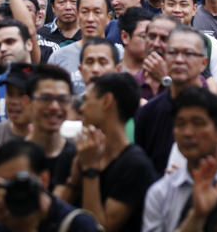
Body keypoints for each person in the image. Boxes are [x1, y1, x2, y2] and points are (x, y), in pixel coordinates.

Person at [64, 73, 157, 232]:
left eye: (87, 100)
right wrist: (74, 180)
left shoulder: (136, 166)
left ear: (106, 101)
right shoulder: (83, 152)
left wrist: (90, 172)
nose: (81, 108)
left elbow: (99, 228)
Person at [142, 87, 217, 232]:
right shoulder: (160, 193)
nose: (187, 133)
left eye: (198, 123)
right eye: (180, 124)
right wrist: (196, 216)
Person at [135, 25, 211, 175]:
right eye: (172, 53)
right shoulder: (148, 113)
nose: (179, 60)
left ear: (203, 63)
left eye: (188, 54)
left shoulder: (214, 112)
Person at [0, 140, 101, 232]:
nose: (15, 190)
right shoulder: (3, 225)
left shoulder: (77, 224)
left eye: (20, 181)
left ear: (44, 179)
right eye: (6, 185)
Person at [48, 0, 115, 93]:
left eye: (97, 12)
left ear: (109, 18)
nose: (90, 19)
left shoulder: (119, 55)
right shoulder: (58, 57)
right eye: (85, 12)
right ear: (78, 15)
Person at [24, 64, 77, 192]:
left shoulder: (79, 158)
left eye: (62, 99)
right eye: (45, 98)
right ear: (28, 103)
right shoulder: (13, 157)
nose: (54, 106)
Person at [118, 7, 152, 76]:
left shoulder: (157, 74)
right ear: (125, 37)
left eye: (152, 37)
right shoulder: (111, 72)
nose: (151, 42)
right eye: (144, 36)